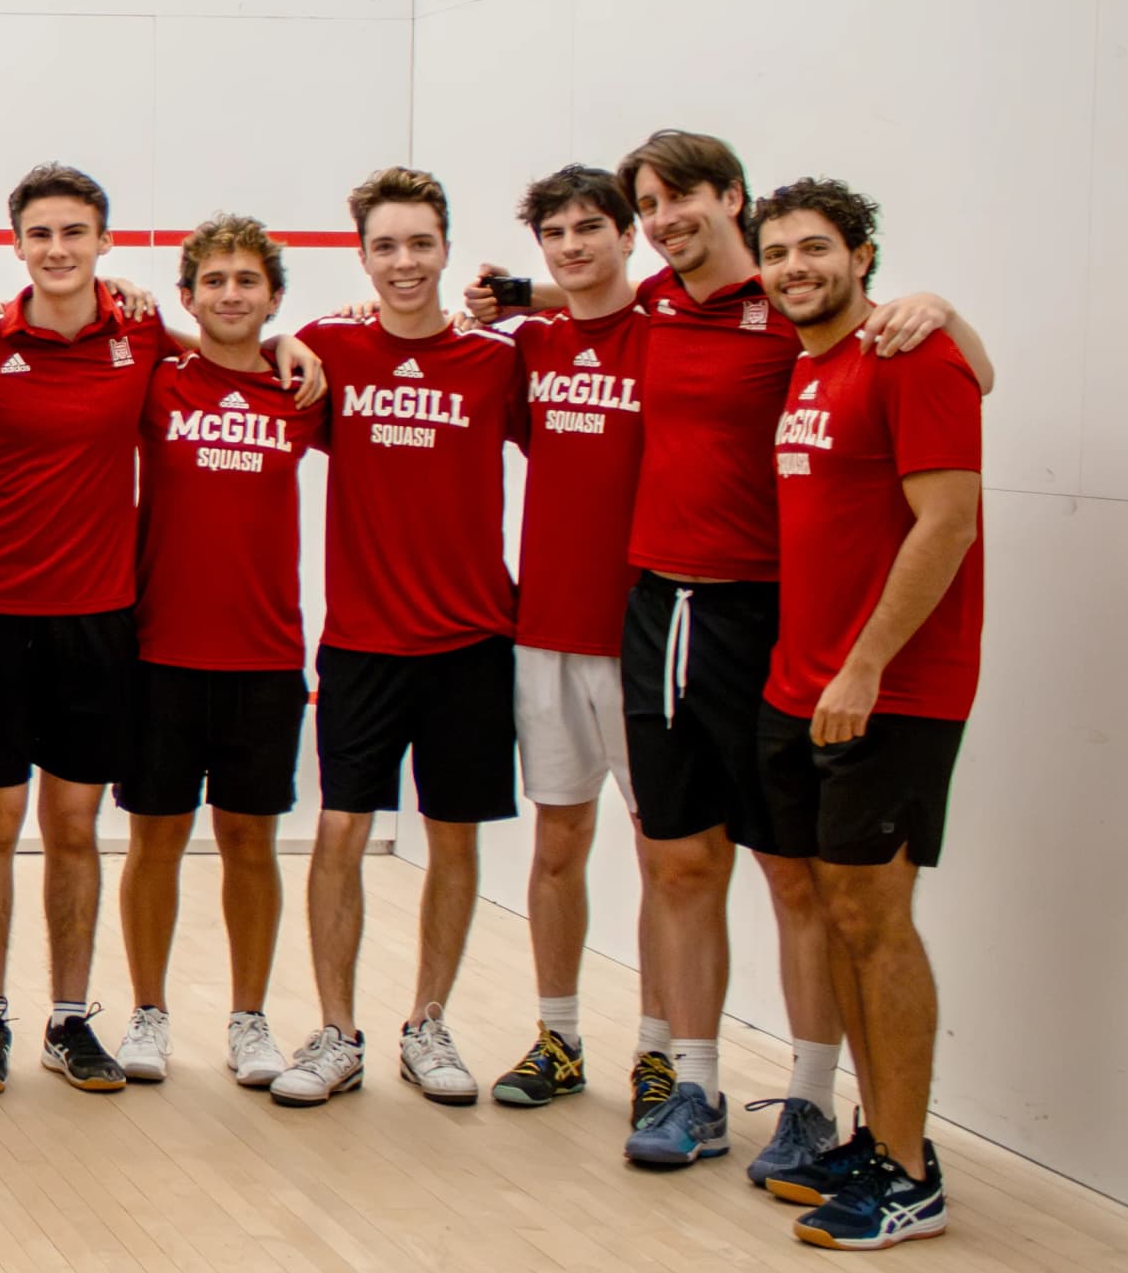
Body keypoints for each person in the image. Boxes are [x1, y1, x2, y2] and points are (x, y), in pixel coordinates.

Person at [606, 130, 990, 1179]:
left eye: (686, 195)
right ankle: (696, 1084)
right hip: (680, 620)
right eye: (648, 201)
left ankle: (823, 1108)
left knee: (806, 881)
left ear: (733, 198)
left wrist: (945, 306)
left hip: (793, 632)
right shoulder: (648, 307)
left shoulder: (828, 325)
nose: (666, 215)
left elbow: (955, 406)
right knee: (681, 860)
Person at [748, 180, 981, 1249]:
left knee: (877, 920)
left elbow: (947, 523)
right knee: (837, 911)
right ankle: (879, 1143)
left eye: (816, 249)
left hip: (887, 692)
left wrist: (867, 666)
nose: (796, 266)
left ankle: (910, 1173)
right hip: (803, 687)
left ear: (863, 254)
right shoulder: (813, 364)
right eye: (780, 252)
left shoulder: (909, 355)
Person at [270, 168, 525, 1108]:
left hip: (471, 645)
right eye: (386, 246)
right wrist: (290, 336)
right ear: (362, 254)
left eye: (421, 244)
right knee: (339, 832)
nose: (405, 262)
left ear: (447, 248)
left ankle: (429, 1023)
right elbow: (248, 349)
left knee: (452, 842)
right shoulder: (330, 349)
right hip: (364, 645)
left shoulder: (498, 362)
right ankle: (337, 1032)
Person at [0, 163, 162, 1095]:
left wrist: (287, 352)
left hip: (99, 624)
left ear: (103, 240)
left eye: (75, 232)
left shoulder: (140, 333)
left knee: (73, 826)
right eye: (41, 235)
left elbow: (215, 346)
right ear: (16, 244)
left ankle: (70, 1019)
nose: (57, 249)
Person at [112, 217, 318, 1091]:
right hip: (161, 652)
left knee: (250, 844)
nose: (232, 293)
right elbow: (121, 313)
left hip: (265, 659)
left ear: (273, 298)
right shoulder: (160, 382)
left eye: (248, 281)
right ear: (191, 296)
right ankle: (148, 1013)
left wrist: (302, 346)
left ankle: (248, 1019)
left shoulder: (301, 392)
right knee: (154, 842)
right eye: (215, 281)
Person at [473, 166, 656, 1112]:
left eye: (594, 227)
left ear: (632, 234)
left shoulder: (673, 326)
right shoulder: (529, 346)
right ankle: (560, 1038)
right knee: (557, 847)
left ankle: (666, 1053)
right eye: (558, 234)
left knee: (667, 853)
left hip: (646, 636)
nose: (575, 245)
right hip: (542, 631)